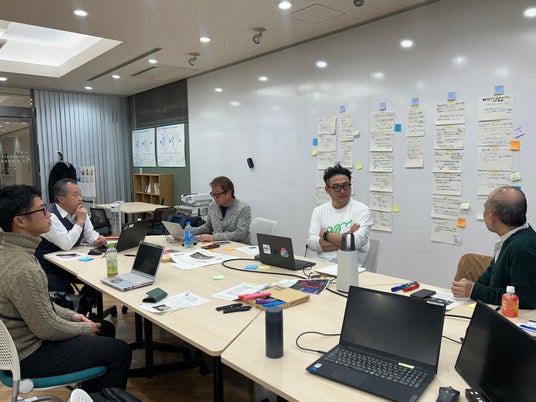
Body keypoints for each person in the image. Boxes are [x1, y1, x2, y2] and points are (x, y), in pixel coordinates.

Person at [0, 184, 131, 392]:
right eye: (42, 210)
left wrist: (72, 316)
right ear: (20, 221)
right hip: (29, 355)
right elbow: (47, 329)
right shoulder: (23, 268)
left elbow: (39, 304)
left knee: (104, 328)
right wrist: (83, 328)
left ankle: (88, 394)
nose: (49, 215)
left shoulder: (11, 251)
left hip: (21, 345)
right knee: (119, 351)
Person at [451, 186, 536, 309]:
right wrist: (472, 288)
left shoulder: (522, 247)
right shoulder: (511, 238)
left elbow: (525, 299)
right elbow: (491, 275)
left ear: (492, 218)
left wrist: (473, 290)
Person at [35, 178, 108, 292]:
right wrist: (80, 221)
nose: (80, 199)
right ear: (61, 199)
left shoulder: (80, 212)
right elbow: (66, 244)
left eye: (80, 195)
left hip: (72, 263)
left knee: (98, 278)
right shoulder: (50, 216)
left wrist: (96, 239)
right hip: (50, 268)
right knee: (66, 292)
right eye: (75, 195)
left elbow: (89, 233)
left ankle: (85, 301)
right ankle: (79, 302)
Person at [308, 163, 373, 265]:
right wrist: (347, 236)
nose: (342, 191)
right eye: (336, 187)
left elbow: (354, 243)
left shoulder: (362, 210)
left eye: (346, 186)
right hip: (320, 265)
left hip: (349, 267)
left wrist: (326, 234)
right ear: (327, 190)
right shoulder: (319, 211)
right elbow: (311, 243)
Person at [192, 176, 251, 243]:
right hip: (219, 245)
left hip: (240, 246)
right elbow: (208, 227)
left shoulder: (243, 208)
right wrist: (190, 231)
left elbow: (240, 234)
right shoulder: (212, 206)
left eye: (217, 195)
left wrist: (214, 237)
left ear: (229, 193)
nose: (214, 198)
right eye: (213, 194)